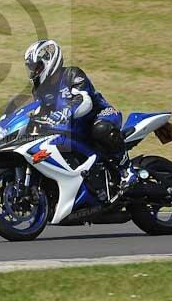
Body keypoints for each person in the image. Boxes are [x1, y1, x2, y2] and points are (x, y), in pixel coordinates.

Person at [24, 39, 133, 192]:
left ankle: (127, 170)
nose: (34, 72)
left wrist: (65, 112)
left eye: (37, 67)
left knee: (100, 129)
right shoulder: (39, 89)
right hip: (71, 128)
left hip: (99, 115)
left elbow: (84, 100)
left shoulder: (72, 74)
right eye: (31, 68)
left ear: (50, 62)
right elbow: (39, 111)